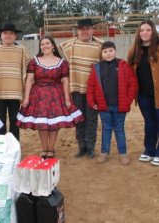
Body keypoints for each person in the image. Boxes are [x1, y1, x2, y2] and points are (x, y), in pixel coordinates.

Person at [16, 36, 84, 159]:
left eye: (48, 43)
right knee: (42, 124)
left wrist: (68, 99)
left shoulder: (62, 62)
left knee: (54, 123)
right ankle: (44, 148)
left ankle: (51, 148)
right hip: (38, 95)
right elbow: (30, 80)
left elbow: (65, 81)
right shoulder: (33, 61)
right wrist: (26, 98)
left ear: (53, 46)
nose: (45, 46)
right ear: (40, 47)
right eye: (42, 44)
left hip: (56, 96)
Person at [127, 20, 159, 166]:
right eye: (142, 30)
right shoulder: (134, 50)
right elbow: (129, 72)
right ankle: (149, 150)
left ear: (153, 31)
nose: (144, 32)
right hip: (144, 95)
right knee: (149, 123)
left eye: (148, 30)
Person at [86, 41, 137, 165]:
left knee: (119, 129)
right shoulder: (97, 68)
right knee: (106, 128)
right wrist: (92, 102)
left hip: (120, 106)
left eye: (110, 51)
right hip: (104, 106)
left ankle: (123, 153)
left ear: (115, 51)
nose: (108, 54)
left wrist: (128, 100)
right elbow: (90, 87)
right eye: (105, 52)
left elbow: (133, 84)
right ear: (102, 54)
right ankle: (104, 152)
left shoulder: (123, 65)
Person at [58, 18, 103, 158]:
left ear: (92, 30)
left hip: (93, 90)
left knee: (92, 118)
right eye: (82, 29)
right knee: (79, 118)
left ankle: (90, 147)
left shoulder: (100, 47)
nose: (85, 31)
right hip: (76, 88)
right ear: (77, 31)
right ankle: (81, 146)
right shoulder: (70, 46)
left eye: (87, 28)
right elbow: (58, 52)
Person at [0, 23, 31, 141]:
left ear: (15, 36)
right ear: (1, 35)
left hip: (15, 92)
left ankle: (14, 146)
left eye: (11, 33)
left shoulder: (22, 50)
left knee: (15, 121)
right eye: (5, 33)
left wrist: (26, 93)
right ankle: (1, 147)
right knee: (0, 121)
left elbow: (29, 70)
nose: (8, 36)